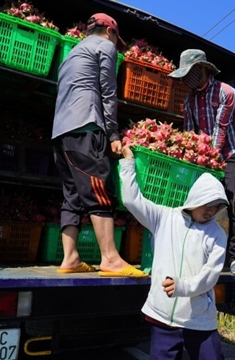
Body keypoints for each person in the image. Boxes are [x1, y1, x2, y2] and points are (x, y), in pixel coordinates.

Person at [51, 13, 145, 277]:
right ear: (109, 32)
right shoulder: (105, 47)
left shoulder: (71, 54)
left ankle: (70, 259)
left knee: (72, 196)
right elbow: (107, 89)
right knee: (99, 190)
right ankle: (111, 259)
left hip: (61, 133)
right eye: (117, 39)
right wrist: (113, 134)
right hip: (86, 127)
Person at [120, 145, 229, 359]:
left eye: (216, 206)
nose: (210, 210)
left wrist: (182, 286)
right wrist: (129, 163)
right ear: (194, 198)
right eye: (206, 203)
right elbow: (131, 200)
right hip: (162, 314)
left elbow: (210, 276)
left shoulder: (217, 234)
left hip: (198, 318)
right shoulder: (164, 218)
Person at [168, 49, 235, 275]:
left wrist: (211, 156)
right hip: (203, 159)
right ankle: (198, 253)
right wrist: (192, 157)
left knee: (231, 202)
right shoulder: (189, 100)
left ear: (203, 69)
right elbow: (190, 133)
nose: (187, 79)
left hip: (228, 156)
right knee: (197, 205)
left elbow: (220, 129)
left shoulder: (226, 92)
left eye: (190, 73)